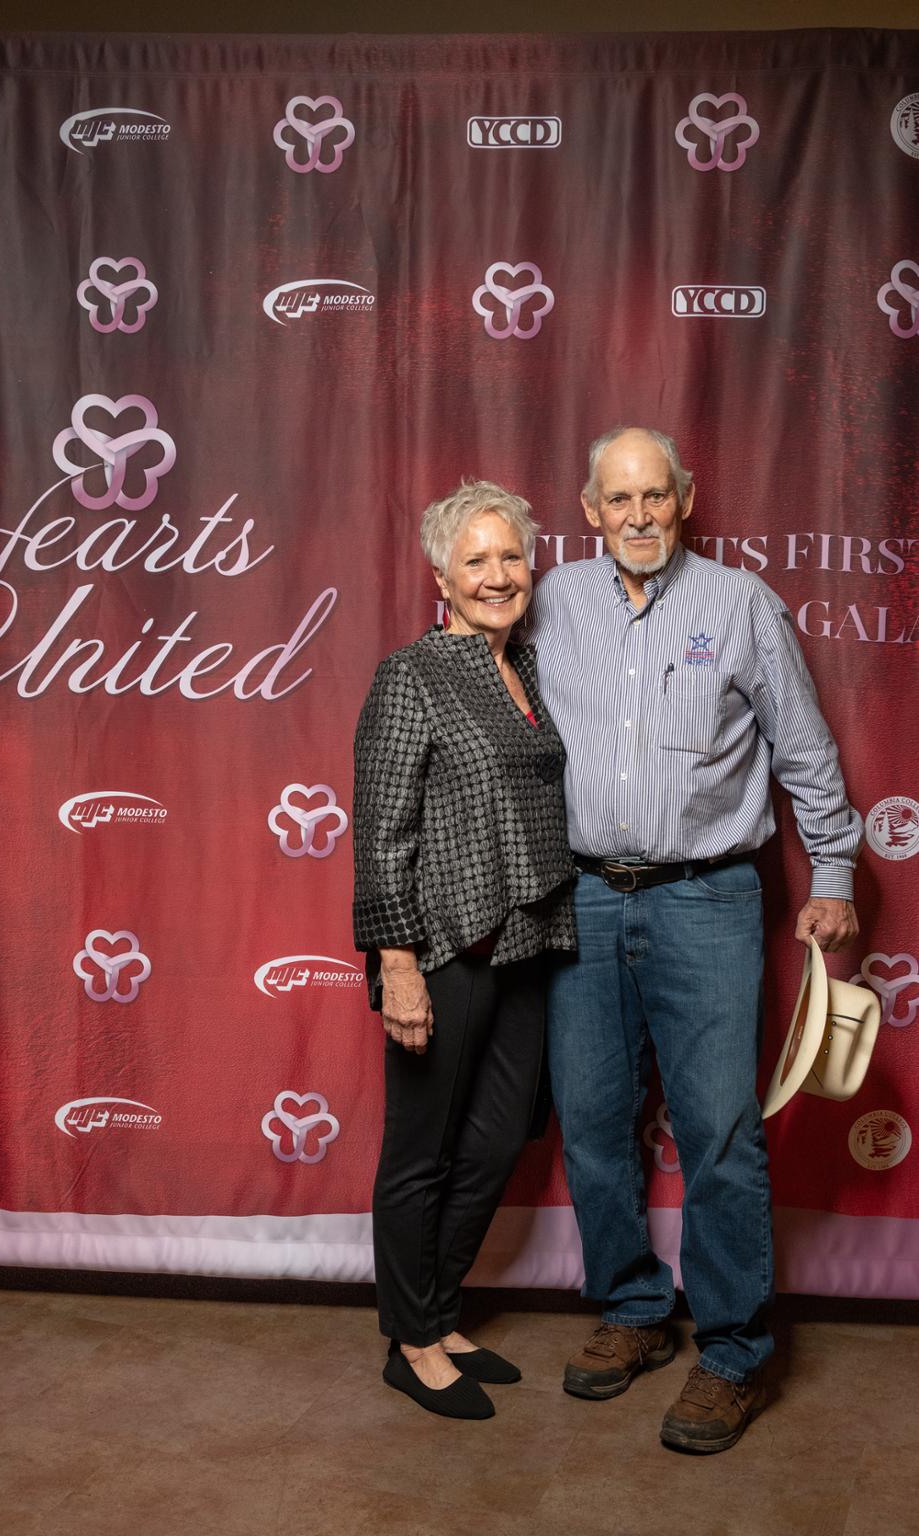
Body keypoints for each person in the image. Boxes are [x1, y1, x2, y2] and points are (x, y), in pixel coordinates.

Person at [529, 426, 862, 1454]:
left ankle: (731, 1350)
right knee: (590, 1119)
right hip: (581, 898)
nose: (636, 516)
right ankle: (632, 1311)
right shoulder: (548, 605)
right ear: (589, 512)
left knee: (719, 1131)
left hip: (707, 898)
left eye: (654, 497)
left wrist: (838, 871)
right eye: (616, 500)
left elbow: (803, 750)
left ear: (684, 500)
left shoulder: (741, 604)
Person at [353, 479, 576, 1420]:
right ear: (439, 573)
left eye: (511, 557)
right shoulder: (411, 674)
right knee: (423, 1150)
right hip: (443, 944)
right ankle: (409, 1340)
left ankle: (440, 1312)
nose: (497, 574)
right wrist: (396, 964)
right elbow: (381, 828)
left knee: (492, 1146)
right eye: (475, 559)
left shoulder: (523, 666)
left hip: (526, 938)